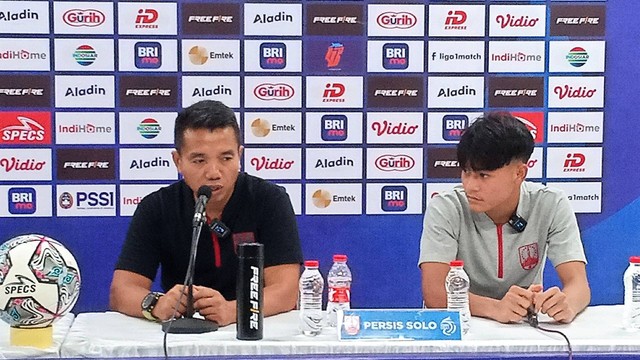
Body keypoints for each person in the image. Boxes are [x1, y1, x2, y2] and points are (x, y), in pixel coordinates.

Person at [110, 100, 303, 326]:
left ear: (240, 156)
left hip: (253, 332)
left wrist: (234, 310)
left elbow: (287, 291)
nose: (214, 173)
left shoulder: (269, 200)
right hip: (183, 335)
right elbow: (121, 290)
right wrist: (156, 304)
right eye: (199, 160)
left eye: (226, 158)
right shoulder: (157, 207)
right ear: (178, 161)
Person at [418, 112, 590, 324]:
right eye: (466, 172)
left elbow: (578, 284)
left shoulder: (550, 203)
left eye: (483, 175)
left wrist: (567, 305)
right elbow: (435, 293)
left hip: (522, 330)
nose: (471, 185)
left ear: (519, 173)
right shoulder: (446, 206)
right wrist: (496, 308)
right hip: (458, 327)